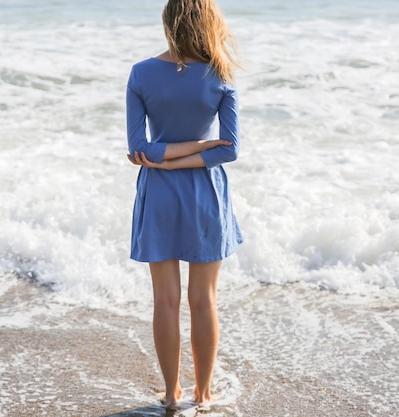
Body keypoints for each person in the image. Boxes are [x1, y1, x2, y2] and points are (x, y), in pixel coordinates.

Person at [125, 0, 243, 409]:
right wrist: (202, 147)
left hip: (157, 191)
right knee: (204, 299)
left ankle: (173, 394)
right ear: (208, 22)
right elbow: (228, 151)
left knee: (166, 300)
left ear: (167, 22)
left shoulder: (141, 73)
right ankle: (204, 394)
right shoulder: (220, 74)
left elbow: (139, 150)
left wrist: (169, 158)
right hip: (205, 193)